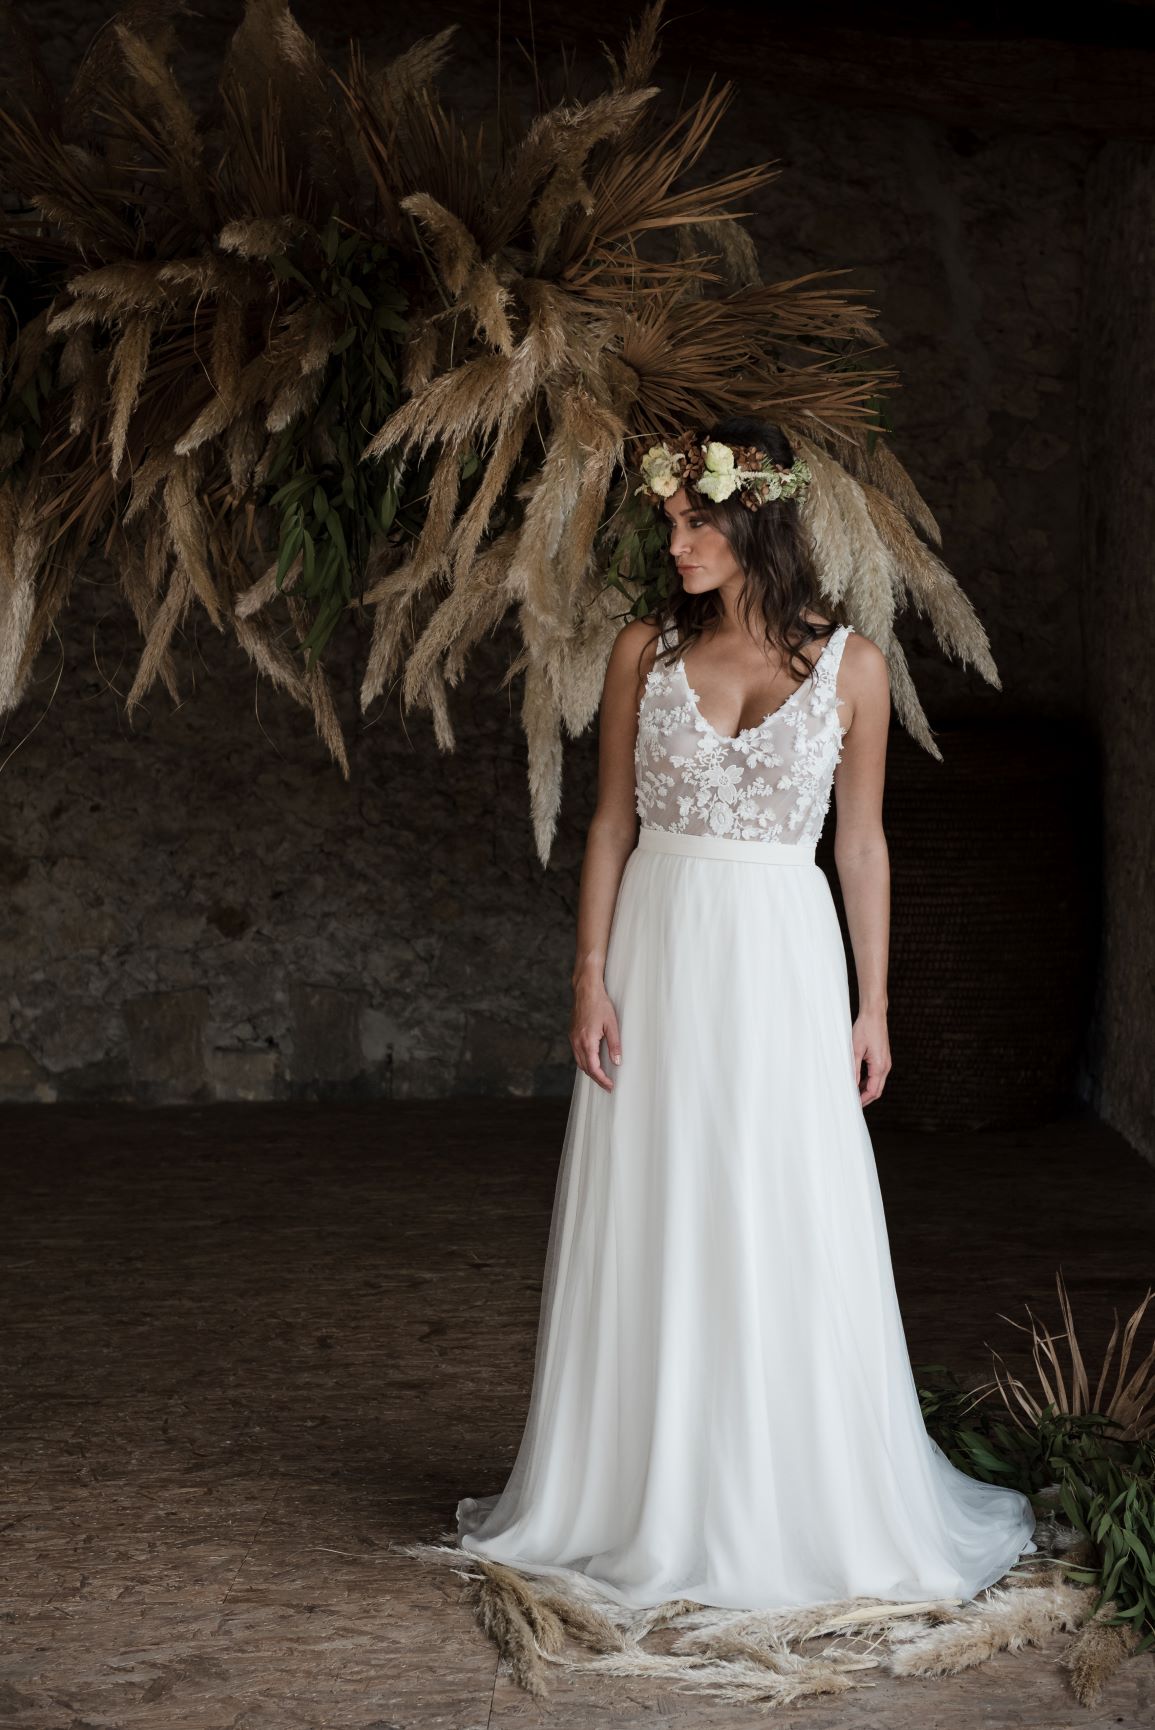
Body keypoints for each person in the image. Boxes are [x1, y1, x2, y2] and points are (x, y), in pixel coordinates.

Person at [456, 414, 1037, 1610]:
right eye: (670, 522)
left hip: (782, 960)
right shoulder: (642, 652)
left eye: (696, 522)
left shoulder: (853, 667)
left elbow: (862, 845)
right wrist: (588, 973)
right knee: (662, 1198)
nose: (675, 543)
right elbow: (609, 823)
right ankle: (647, 1489)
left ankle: (788, 1489)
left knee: (783, 1199)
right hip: (663, 951)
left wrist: (875, 1006)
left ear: (756, 520)